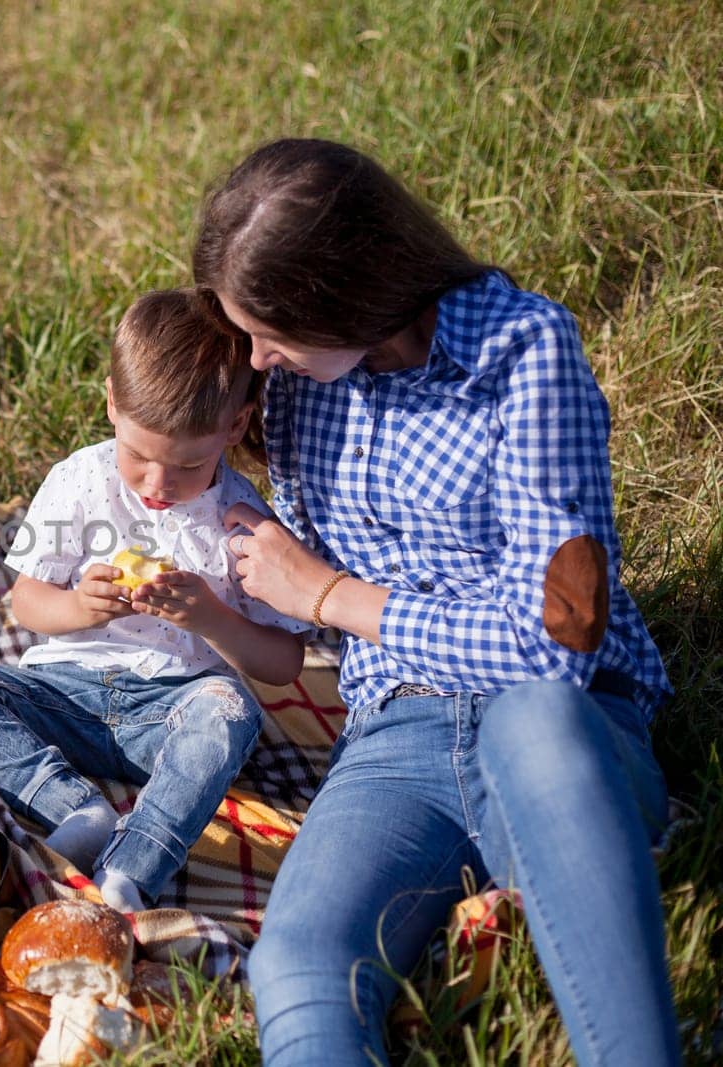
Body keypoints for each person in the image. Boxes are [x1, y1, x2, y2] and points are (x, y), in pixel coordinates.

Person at [194, 138, 678, 1066]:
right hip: (398, 736)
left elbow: (556, 648)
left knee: (534, 723)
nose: (258, 357)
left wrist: (333, 595)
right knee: (297, 962)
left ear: (344, 292)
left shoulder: (525, 355)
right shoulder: (301, 383)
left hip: (559, 723)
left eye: (271, 332)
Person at [0, 290, 310, 913]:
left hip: (172, 707)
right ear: (111, 405)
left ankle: (134, 866)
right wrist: (81, 608)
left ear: (234, 427)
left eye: (186, 465)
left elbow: (283, 663)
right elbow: (28, 602)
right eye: (139, 456)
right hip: (65, 693)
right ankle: (74, 807)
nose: (158, 485)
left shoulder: (242, 522)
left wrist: (209, 617)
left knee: (231, 711)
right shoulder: (80, 480)